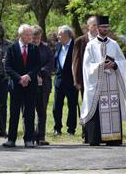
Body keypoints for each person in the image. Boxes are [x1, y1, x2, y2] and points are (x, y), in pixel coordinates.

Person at [81, 16, 126, 146]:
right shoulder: (91, 45)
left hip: (112, 82)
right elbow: (87, 66)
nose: (105, 29)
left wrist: (115, 64)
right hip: (98, 84)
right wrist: (101, 65)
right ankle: (96, 138)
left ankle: (113, 138)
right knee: (97, 108)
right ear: (97, 28)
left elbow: (123, 61)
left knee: (112, 106)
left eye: (107, 27)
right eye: (102, 27)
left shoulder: (114, 44)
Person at [3, 24, 40, 148]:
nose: (30, 37)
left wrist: (28, 76)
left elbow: (37, 65)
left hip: (30, 85)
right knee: (14, 113)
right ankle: (11, 139)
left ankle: (29, 139)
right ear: (20, 35)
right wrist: (19, 78)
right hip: (16, 85)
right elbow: (7, 67)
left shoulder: (34, 49)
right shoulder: (11, 48)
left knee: (29, 112)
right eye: (27, 35)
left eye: (31, 34)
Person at [72, 16, 98, 140]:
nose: (96, 28)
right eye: (93, 25)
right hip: (85, 81)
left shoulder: (103, 40)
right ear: (88, 26)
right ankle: (86, 133)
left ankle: (98, 133)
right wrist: (77, 81)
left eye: (97, 25)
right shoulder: (81, 41)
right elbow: (76, 62)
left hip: (100, 80)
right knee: (87, 106)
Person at [53, 25, 78, 136]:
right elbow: (55, 61)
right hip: (59, 81)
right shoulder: (58, 46)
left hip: (72, 82)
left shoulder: (75, 46)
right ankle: (57, 128)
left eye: (60, 34)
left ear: (67, 35)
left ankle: (71, 129)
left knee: (72, 106)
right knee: (56, 106)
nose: (58, 36)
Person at [31, 25, 54, 145]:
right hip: (29, 84)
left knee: (42, 111)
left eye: (38, 38)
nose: (36, 40)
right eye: (34, 38)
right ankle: (29, 136)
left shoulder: (46, 49)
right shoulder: (26, 48)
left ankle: (41, 136)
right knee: (28, 112)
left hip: (44, 84)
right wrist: (34, 74)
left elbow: (51, 64)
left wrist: (40, 73)